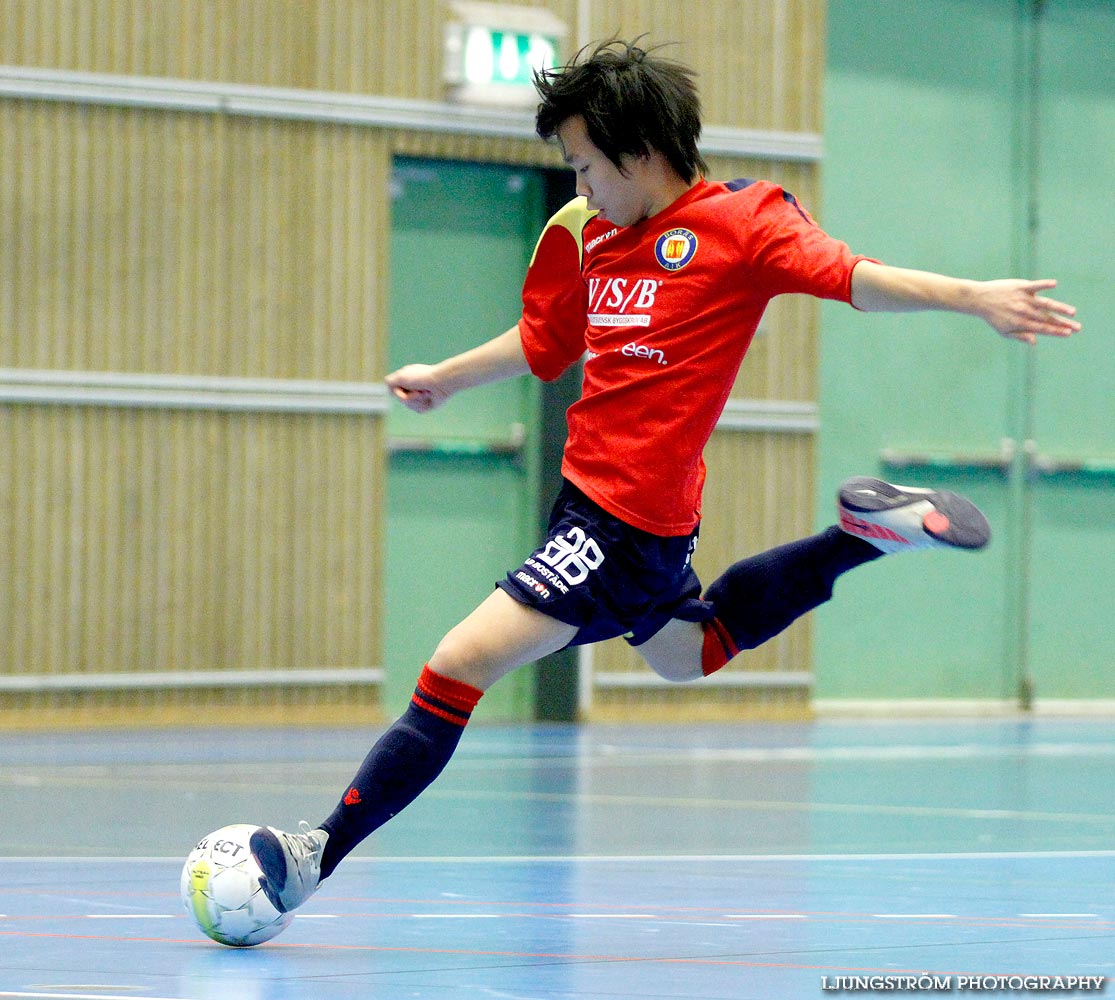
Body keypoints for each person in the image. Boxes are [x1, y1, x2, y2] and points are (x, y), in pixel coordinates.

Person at [248, 39, 1080, 913]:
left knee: (456, 665)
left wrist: (971, 297)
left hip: (616, 525)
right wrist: (446, 378)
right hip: (611, 514)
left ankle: (316, 853)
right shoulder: (598, 237)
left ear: (639, 153)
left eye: (585, 167)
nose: (579, 189)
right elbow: (546, 343)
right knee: (689, 652)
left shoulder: (746, 224)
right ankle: (862, 536)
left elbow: (854, 279)